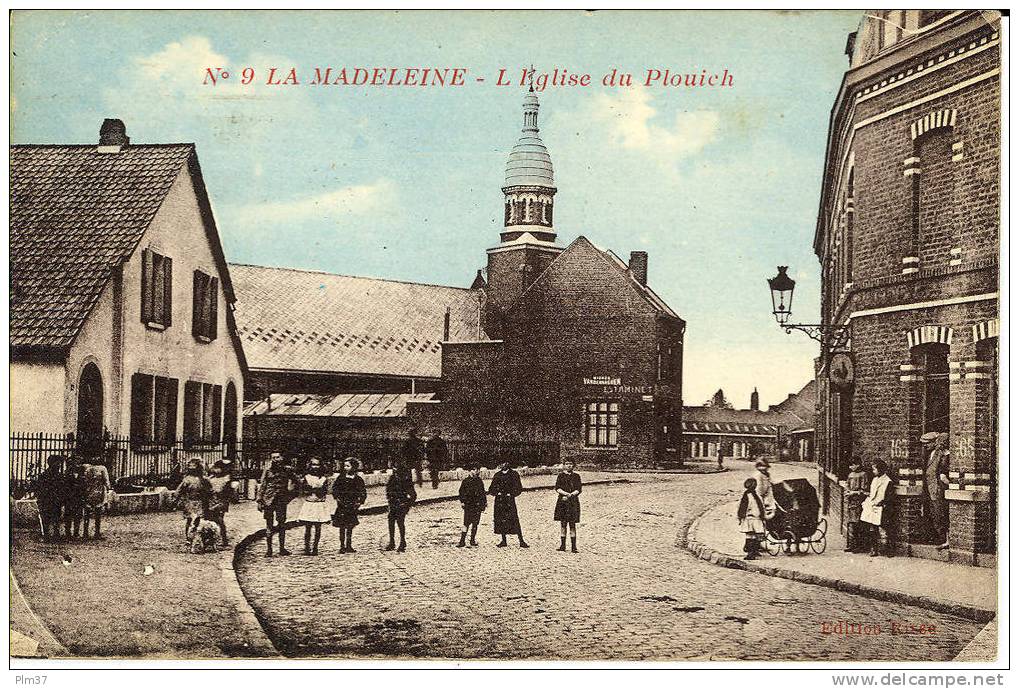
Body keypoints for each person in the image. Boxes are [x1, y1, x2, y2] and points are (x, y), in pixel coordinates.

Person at [256, 453, 297, 557]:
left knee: (282, 524)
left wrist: (290, 494)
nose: (275, 459)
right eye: (273, 457)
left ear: (282, 458)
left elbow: (296, 481)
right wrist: (259, 500)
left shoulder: (287, 470)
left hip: (281, 500)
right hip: (268, 500)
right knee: (269, 525)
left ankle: (282, 549)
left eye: (277, 457)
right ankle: (269, 550)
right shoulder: (268, 470)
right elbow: (263, 484)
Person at [921, 432, 951, 549]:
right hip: (931, 489)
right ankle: (941, 538)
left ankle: (946, 539)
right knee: (935, 514)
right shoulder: (931, 454)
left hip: (938, 489)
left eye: (927, 443)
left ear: (934, 442)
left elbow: (943, 472)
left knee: (941, 514)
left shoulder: (943, 454)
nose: (925, 446)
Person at [488, 460, 528, 548]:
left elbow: (518, 488)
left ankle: (521, 540)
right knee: (501, 520)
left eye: (504, 463)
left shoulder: (514, 474)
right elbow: (491, 488)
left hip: (509, 501)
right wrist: (496, 493)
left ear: (508, 463)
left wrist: (512, 494)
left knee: (514, 519)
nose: (503, 465)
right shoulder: (497, 475)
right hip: (500, 501)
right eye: (501, 463)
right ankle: (503, 540)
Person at [331, 457, 368, 553]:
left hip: (352, 505)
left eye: (348, 466)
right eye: (345, 466)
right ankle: (342, 545)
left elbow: (363, 492)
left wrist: (359, 502)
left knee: (350, 526)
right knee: (342, 526)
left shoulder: (358, 479)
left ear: (354, 467)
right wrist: (337, 498)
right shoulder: (341, 478)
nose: (346, 468)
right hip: (342, 505)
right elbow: (335, 489)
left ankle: (349, 545)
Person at [861, 459, 895, 558]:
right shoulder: (875, 480)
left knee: (885, 528)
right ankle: (874, 548)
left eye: (874, 469)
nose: (873, 471)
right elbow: (872, 493)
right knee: (872, 528)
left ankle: (888, 550)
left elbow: (889, 497)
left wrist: (882, 503)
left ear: (880, 470)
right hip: (872, 506)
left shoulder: (888, 481)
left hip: (882, 508)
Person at [298, 457, 331, 555]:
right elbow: (303, 491)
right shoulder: (307, 477)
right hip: (310, 504)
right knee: (308, 527)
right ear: (310, 466)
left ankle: (315, 547)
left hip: (319, 504)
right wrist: (312, 489)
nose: (315, 467)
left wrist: (315, 490)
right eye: (313, 464)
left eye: (317, 464)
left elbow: (324, 491)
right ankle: (307, 547)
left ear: (321, 466)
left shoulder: (324, 479)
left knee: (318, 527)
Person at [385, 461, 417, 552]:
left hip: (402, 505)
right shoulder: (392, 478)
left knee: (400, 522)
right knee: (391, 521)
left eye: (396, 469)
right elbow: (388, 490)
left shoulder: (406, 480)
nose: (394, 470)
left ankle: (402, 542)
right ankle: (392, 542)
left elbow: (413, 495)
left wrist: (406, 504)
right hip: (393, 504)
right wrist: (390, 500)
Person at [176, 460, 211, 543]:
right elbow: (180, 490)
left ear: (198, 467)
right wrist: (177, 499)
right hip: (190, 502)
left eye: (194, 466)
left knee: (198, 519)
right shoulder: (187, 479)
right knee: (189, 519)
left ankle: (197, 536)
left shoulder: (203, 479)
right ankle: (188, 537)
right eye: (190, 466)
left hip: (200, 502)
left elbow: (209, 489)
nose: (191, 468)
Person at [554, 460, 582, 553]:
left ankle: (574, 547)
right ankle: (563, 545)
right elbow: (557, 488)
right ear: (564, 465)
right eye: (567, 464)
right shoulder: (561, 476)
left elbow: (579, 489)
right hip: (562, 502)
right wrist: (565, 494)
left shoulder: (576, 476)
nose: (569, 466)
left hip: (573, 502)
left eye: (570, 464)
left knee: (572, 524)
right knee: (563, 523)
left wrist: (571, 495)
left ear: (573, 465)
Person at [36, 455, 66, 542]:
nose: (59, 466)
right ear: (51, 464)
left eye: (59, 464)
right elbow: (40, 489)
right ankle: (47, 535)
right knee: (47, 518)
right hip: (48, 500)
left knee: (55, 518)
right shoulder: (45, 475)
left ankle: (54, 535)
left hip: (55, 500)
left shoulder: (58, 476)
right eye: (57, 464)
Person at [457, 464, 487, 547]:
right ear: (470, 471)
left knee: (475, 523)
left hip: (477, 505)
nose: (476, 472)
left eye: (477, 470)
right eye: (474, 470)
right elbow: (461, 492)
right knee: (466, 523)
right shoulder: (466, 481)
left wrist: (484, 503)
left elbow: (482, 493)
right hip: (469, 505)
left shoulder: (479, 481)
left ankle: (472, 540)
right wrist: (462, 501)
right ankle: (462, 540)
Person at [206, 460, 235, 547]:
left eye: (218, 468)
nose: (216, 470)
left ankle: (224, 539)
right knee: (210, 520)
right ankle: (211, 539)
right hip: (211, 501)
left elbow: (228, 492)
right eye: (215, 468)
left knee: (219, 520)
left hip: (221, 502)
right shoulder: (210, 478)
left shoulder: (226, 479)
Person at [82, 459, 112, 540]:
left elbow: (84, 481)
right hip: (98, 492)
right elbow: (106, 482)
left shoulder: (87, 468)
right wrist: (108, 489)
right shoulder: (102, 468)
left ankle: (85, 532)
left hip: (88, 492)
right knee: (98, 513)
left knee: (87, 513)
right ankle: (97, 533)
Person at [845, 457, 870, 553]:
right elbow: (847, 485)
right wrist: (848, 491)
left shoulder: (863, 475)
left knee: (859, 524)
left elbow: (864, 490)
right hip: (851, 502)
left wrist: (854, 493)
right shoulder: (850, 475)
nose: (850, 467)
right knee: (852, 524)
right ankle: (852, 544)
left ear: (858, 464)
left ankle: (860, 546)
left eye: (852, 465)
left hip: (859, 502)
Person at [737, 477, 766, 560]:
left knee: (755, 535)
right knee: (750, 535)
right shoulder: (747, 495)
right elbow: (743, 507)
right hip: (750, 518)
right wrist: (741, 517)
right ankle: (750, 553)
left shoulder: (755, 495)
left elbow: (760, 505)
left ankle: (754, 551)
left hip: (756, 518)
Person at [63, 461, 87, 540]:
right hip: (70, 499)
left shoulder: (82, 476)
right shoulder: (67, 476)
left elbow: (84, 487)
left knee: (78, 516)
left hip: (78, 498)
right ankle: (68, 533)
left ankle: (76, 533)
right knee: (68, 516)